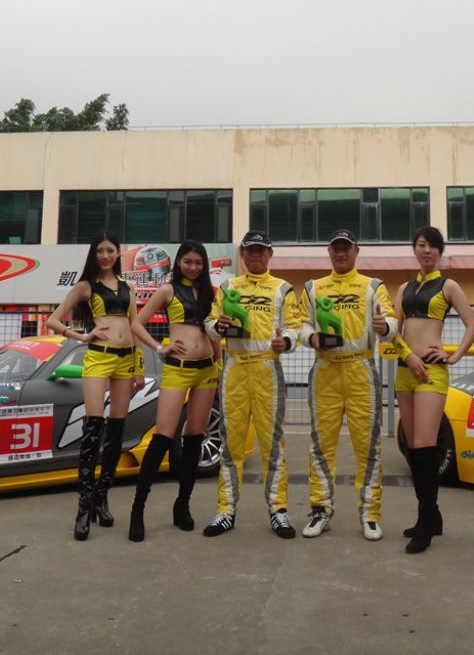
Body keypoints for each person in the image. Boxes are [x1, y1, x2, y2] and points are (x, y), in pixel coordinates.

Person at [202, 230, 302, 539]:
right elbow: (210, 324)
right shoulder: (228, 286)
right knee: (231, 445)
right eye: (250, 250)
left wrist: (286, 341)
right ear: (242, 254)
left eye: (260, 250)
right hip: (234, 368)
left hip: (267, 369)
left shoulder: (283, 288)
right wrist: (217, 327)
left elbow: (295, 327)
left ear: (270, 254)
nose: (255, 255)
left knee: (273, 444)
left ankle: (278, 511)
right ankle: (225, 511)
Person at [299, 228, 398, 541]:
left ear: (356, 251)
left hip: (361, 369)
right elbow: (301, 324)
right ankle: (320, 510)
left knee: (368, 447)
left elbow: (392, 322)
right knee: (320, 446)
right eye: (336, 248)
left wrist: (386, 326)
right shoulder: (313, 287)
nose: (341, 253)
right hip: (325, 371)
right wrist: (311, 338)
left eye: (346, 248)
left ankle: (370, 514)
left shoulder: (373, 286)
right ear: (329, 252)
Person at [46, 233, 145, 541]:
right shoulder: (85, 286)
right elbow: (53, 320)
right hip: (98, 359)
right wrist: (82, 336)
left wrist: (139, 368)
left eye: (110, 250)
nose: (104, 255)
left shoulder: (128, 286)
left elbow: (135, 327)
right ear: (94, 254)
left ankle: (102, 498)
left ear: (118, 253)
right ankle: (84, 506)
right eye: (100, 250)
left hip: (125, 361)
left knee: (116, 431)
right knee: (93, 428)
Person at [392, 226, 474, 554]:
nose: (426, 250)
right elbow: (394, 330)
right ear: (414, 249)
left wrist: (455, 355)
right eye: (421, 245)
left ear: (440, 251)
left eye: (432, 246)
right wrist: (408, 355)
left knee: (424, 445)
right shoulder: (404, 288)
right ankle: (432, 515)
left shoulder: (449, 286)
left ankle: (426, 522)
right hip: (405, 369)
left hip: (431, 371)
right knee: (412, 448)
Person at [129, 240, 219, 542]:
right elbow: (137, 324)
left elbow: (214, 335)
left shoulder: (210, 293)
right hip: (177, 370)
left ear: (204, 265)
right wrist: (160, 348)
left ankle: (183, 505)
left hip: (207, 370)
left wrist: (220, 366)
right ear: (178, 262)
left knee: (194, 437)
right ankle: (138, 510)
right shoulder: (168, 291)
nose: (193, 267)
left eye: (198, 262)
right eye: (188, 261)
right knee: (163, 437)